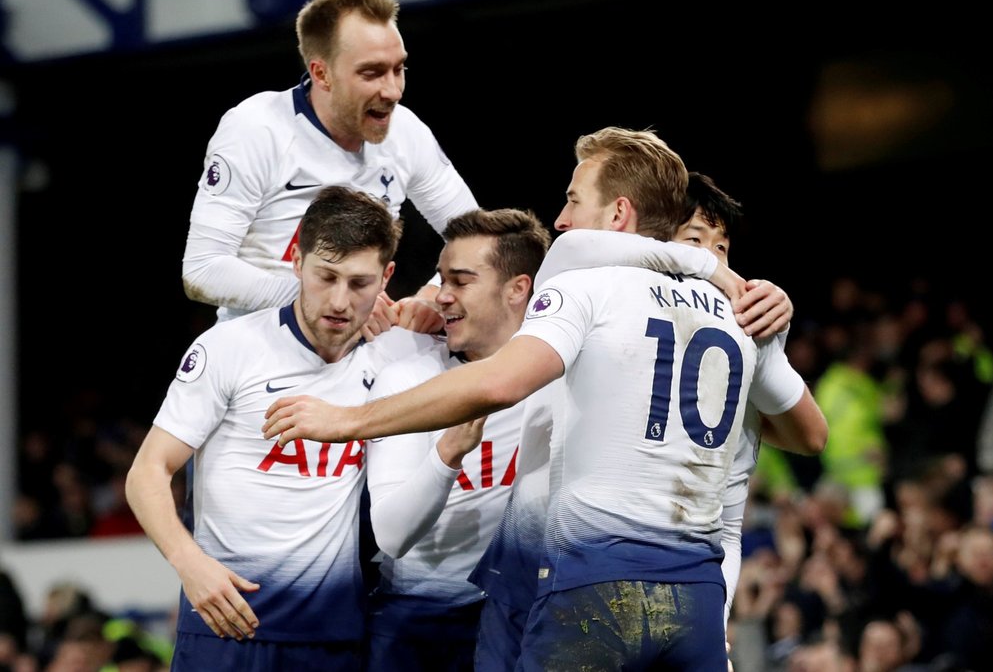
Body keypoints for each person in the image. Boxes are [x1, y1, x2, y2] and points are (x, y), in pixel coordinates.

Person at [263, 127, 825, 671]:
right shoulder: (742, 317)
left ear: (618, 214)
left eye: (573, 199)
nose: (560, 219)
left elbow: (499, 378)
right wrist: (720, 274)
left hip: (586, 581)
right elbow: (811, 436)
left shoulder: (583, 283)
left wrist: (348, 420)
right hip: (693, 593)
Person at [469, 172, 826, 670]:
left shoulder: (742, 327)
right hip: (548, 564)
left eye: (722, 248)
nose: (713, 261)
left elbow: (801, 443)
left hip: (609, 581)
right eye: (696, 243)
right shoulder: (604, 296)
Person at [126, 187, 436, 671]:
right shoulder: (229, 347)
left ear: (387, 278)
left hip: (334, 635)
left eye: (359, 283)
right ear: (296, 260)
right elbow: (147, 471)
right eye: (325, 276)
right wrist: (189, 565)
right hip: (223, 625)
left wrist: (431, 311)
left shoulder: (401, 358)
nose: (339, 300)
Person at [181, 0, 479, 332]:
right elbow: (202, 270)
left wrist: (432, 295)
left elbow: (474, 239)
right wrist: (327, 300)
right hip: (260, 349)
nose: (393, 90)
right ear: (321, 74)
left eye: (399, 69)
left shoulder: (407, 132)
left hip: (362, 349)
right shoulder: (256, 128)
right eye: (371, 73)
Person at [361, 207, 551, 671]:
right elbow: (391, 535)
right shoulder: (408, 377)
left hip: (525, 614)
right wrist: (446, 454)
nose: (440, 297)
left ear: (518, 289)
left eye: (460, 282)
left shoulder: (562, 379)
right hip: (418, 621)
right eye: (441, 280)